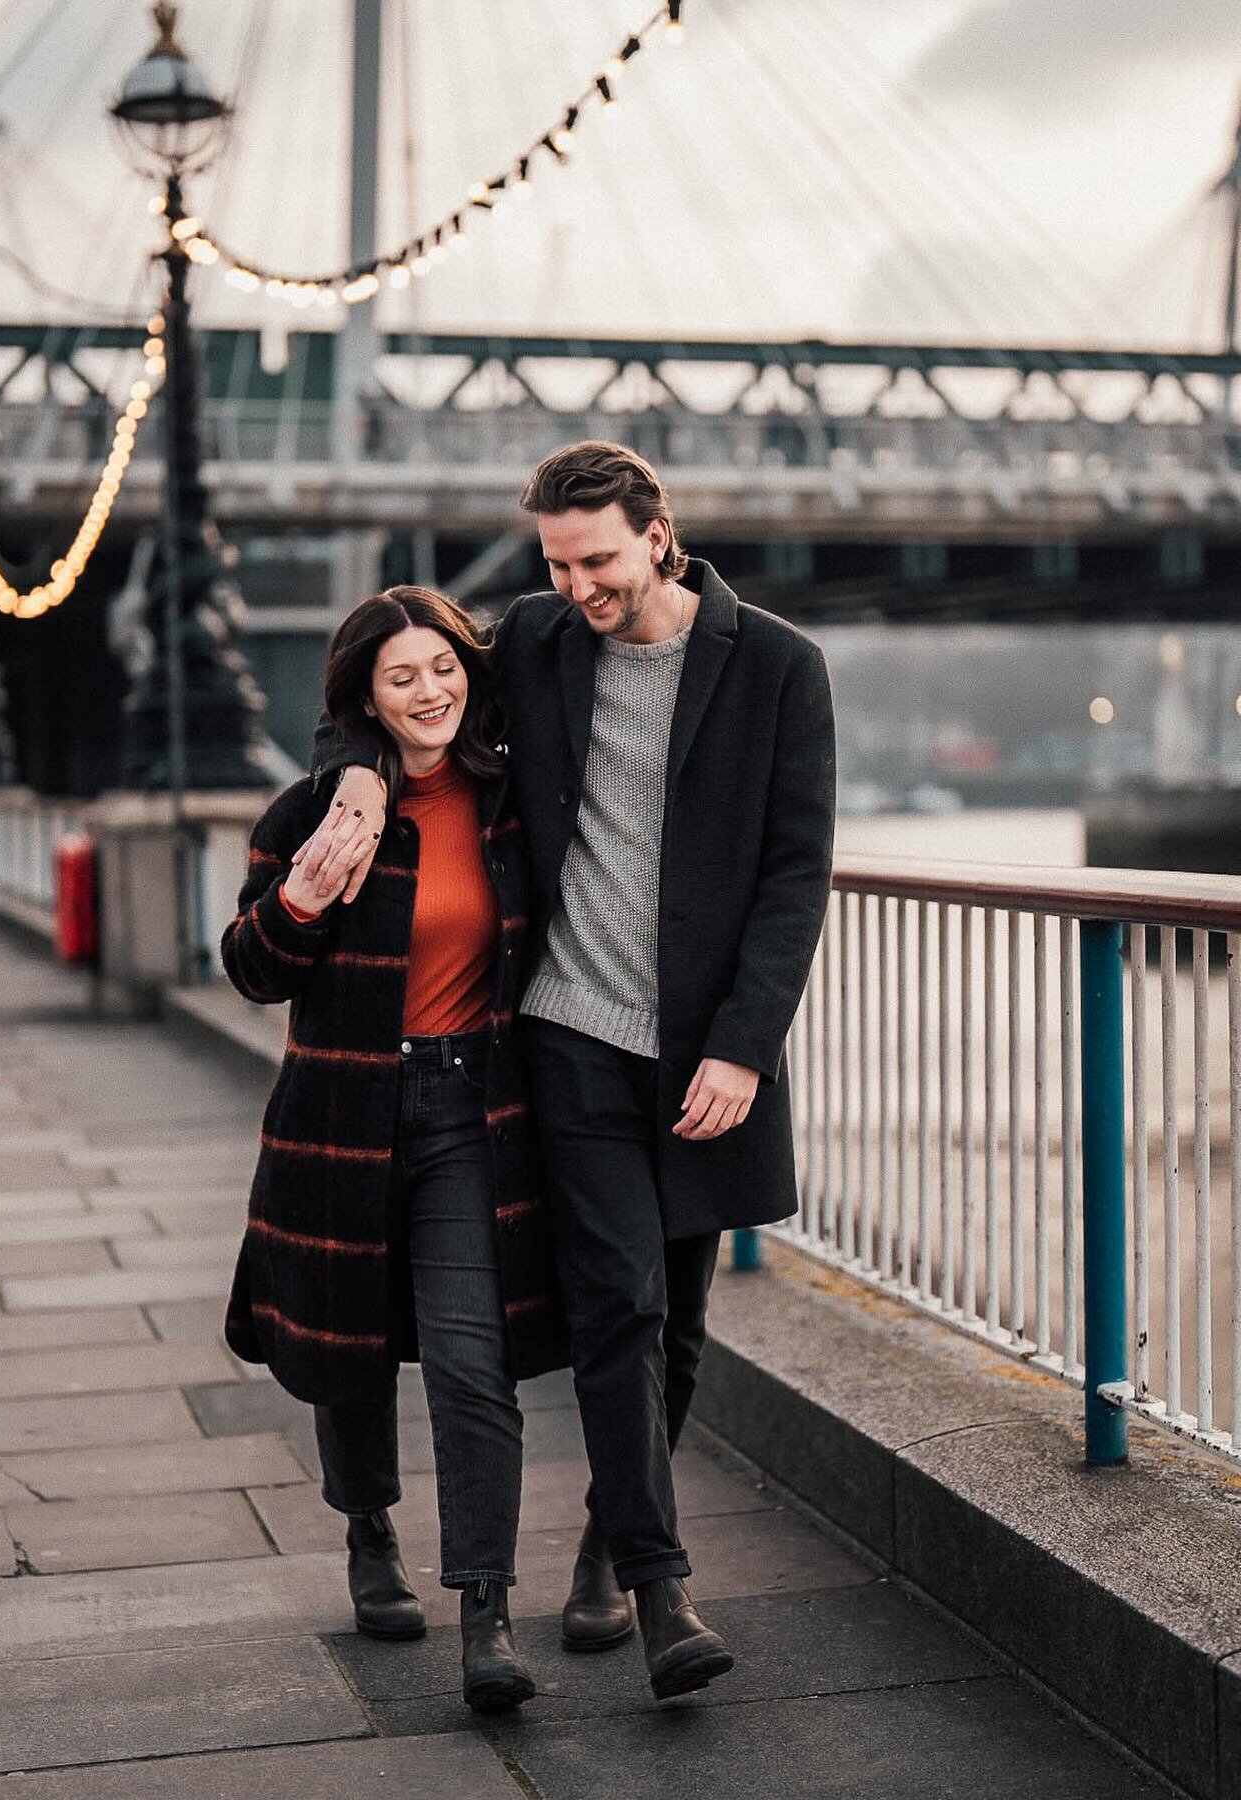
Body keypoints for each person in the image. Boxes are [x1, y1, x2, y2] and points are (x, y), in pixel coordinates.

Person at [303, 442, 837, 1703]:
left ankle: (607, 1540)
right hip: (570, 1028)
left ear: (659, 534)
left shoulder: (776, 667)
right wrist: (356, 786)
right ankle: (663, 1593)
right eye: (557, 562)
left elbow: (793, 874)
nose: (578, 584)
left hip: (704, 1053)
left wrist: (743, 1047)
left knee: (683, 1318)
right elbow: (395, 684)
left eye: (596, 559)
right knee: (619, 1304)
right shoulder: (538, 640)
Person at [221, 586, 567, 1714]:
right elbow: (251, 967)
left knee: (474, 1362)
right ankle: (369, 1530)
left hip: (472, 1112)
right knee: (347, 1343)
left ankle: (487, 1608)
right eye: (401, 677)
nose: (431, 691)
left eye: (444, 668)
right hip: (343, 1108)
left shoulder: (513, 806)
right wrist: (305, 899)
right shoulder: (314, 813)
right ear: (364, 698)